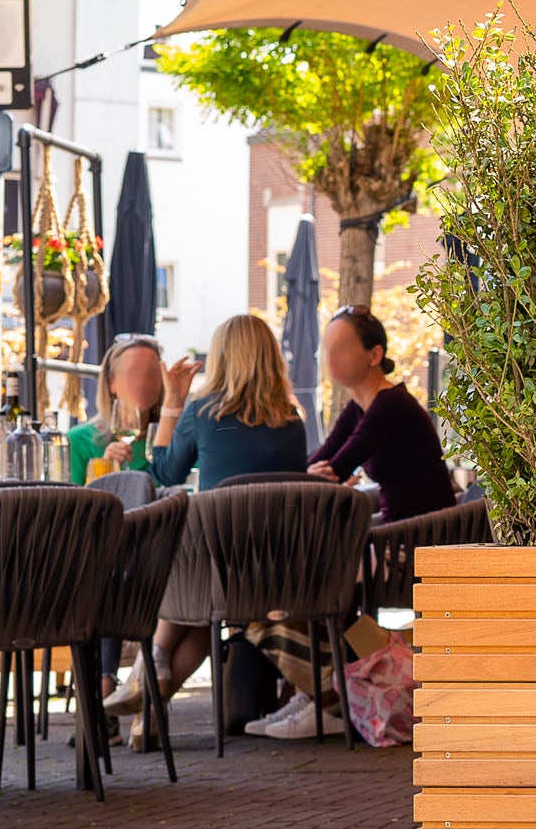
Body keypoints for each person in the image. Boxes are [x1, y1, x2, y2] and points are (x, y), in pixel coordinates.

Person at [115, 314, 312, 723]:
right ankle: (148, 708)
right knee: (206, 614)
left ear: (222, 358)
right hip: (280, 568)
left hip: (219, 569)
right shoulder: (293, 420)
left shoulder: (204, 411)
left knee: (193, 590)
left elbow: (165, 472)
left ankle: (150, 671)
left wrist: (172, 402)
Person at [309, 308, 454, 521]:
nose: (329, 357)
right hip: (398, 530)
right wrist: (308, 472)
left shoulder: (391, 404)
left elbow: (336, 471)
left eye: (340, 348)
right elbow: (324, 457)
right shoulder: (358, 407)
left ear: (374, 355)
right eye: (326, 349)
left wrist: (310, 475)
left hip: (424, 537)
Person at [69, 332, 167, 484]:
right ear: (111, 383)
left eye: (152, 374)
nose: (143, 382)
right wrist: (104, 470)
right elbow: (72, 504)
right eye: (134, 373)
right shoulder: (77, 441)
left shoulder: (175, 440)